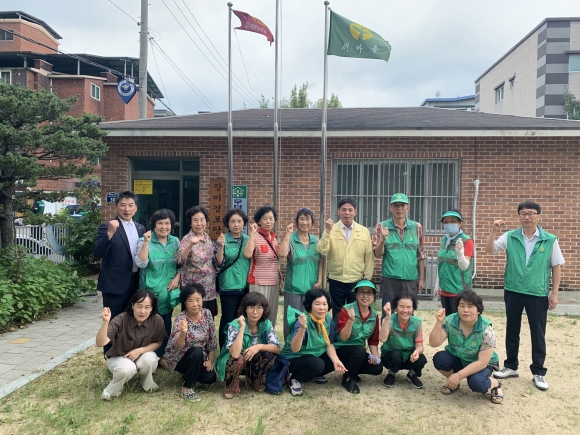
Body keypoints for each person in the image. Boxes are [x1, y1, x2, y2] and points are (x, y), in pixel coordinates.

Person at [486, 201, 564, 391]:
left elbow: (556, 266)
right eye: (523, 213)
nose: (527, 217)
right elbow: (490, 249)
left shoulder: (549, 240)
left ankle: (538, 371)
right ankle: (511, 366)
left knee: (538, 333)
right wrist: (493, 231)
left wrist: (554, 294)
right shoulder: (510, 236)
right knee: (512, 329)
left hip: (537, 292)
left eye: (531, 213)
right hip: (513, 290)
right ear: (519, 216)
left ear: (539, 216)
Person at [429, 290, 503, 404]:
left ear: (478, 310)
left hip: (481, 363)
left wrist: (459, 375)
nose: (465, 310)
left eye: (470, 306)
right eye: (462, 306)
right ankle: (454, 383)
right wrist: (439, 322)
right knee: (440, 359)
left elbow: (482, 362)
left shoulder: (487, 330)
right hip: (460, 358)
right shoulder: (450, 320)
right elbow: (434, 343)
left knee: (476, 383)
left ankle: (495, 384)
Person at [94, 191, 145, 353]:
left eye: (130, 205)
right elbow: (98, 252)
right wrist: (109, 233)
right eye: (123, 205)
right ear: (116, 206)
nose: (127, 209)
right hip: (114, 284)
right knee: (113, 321)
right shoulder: (107, 226)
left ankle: (127, 352)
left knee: (132, 320)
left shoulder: (140, 228)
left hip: (135, 282)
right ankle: (111, 354)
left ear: (136, 208)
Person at [96, 290, 167, 401]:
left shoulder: (157, 320)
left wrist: (140, 351)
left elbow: (158, 342)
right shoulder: (121, 319)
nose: (142, 311)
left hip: (140, 355)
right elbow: (100, 342)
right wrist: (105, 322)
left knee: (151, 359)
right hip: (118, 357)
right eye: (139, 306)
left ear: (152, 308)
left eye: (147, 307)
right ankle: (110, 392)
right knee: (127, 368)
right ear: (132, 305)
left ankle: (147, 383)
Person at [134, 208, 181, 369]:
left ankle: (162, 355)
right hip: (150, 292)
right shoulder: (143, 240)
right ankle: (147, 358)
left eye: (167, 223)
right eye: (160, 223)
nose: (164, 227)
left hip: (168, 292)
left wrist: (177, 278)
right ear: (154, 225)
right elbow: (141, 263)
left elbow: (181, 263)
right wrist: (146, 243)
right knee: (148, 326)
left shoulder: (175, 241)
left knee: (165, 325)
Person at [281, 288, 347, 396]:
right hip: (293, 358)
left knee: (335, 358)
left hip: (313, 355)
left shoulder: (327, 319)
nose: (322, 307)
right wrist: (302, 328)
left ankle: (312, 374)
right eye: (317, 304)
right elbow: (294, 348)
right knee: (318, 364)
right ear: (310, 305)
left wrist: (336, 361)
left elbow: (329, 343)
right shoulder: (303, 320)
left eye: (324, 304)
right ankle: (295, 379)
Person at [316, 197, 374, 320]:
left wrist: (367, 279)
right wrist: (327, 231)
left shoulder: (363, 231)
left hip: (356, 279)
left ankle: (354, 332)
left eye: (350, 210)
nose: (347, 213)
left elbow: (369, 256)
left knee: (356, 311)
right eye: (343, 210)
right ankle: (338, 332)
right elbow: (321, 249)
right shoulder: (331, 229)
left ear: (355, 212)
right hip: (336, 278)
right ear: (338, 211)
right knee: (338, 311)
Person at [215, 292, 282, 398]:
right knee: (237, 359)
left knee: (269, 355)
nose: (255, 312)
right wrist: (242, 328)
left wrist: (258, 346)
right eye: (251, 307)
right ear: (245, 309)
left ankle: (255, 380)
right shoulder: (235, 325)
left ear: (264, 310)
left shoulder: (266, 324)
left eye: (259, 308)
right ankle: (230, 384)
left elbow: (277, 348)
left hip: (253, 360)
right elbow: (235, 353)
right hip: (235, 360)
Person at [373, 193, 426, 318]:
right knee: (388, 313)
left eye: (402, 205)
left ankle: (407, 332)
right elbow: (377, 254)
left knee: (408, 313)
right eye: (396, 205)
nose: (399, 208)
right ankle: (387, 332)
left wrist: (421, 279)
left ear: (408, 208)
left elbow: (421, 255)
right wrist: (383, 240)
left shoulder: (417, 227)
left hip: (410, 279)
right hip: (389, 279)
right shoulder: (381, 226)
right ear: (390, 208)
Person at [164, 284, 217, 401]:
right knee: (196, 351)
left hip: (200, 357)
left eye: (198, 300)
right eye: (190, 301)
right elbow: (177, 346)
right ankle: (186, 388)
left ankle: (189, 374)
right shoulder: (181, 318)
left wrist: (210, 360)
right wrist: (183, 333)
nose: (195, 304)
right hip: (180, 357)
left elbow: (212, 339)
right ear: (185, 303)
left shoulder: (207, 314)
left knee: (210, 378)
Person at [279, 207, 323, 338]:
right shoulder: (292, 239)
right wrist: (287, 234)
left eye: (307, 219)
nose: (304, 222)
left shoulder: (316, 241)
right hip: (294, 289)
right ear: (297, 222)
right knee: (292, 321)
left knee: (310, 320)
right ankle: (289, 346)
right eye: (301, 219)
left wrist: (320, 280)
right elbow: (282, 254)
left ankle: (306, 346)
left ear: (312, 222)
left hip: (312, 288)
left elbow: (320, 261)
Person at [333, 280, 383, 394]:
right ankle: (348, 379)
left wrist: (376, 358)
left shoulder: (374, 315)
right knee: (360, 350)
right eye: (361, 292)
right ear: (356, 295)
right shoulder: (346, 310)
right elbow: (343, 338)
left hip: (357, 353)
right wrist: (350, 320)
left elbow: (373, 341)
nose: (365, 296)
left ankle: (350, 371)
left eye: (369, 293)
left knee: (378, 368)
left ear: (373, 296)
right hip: (341, 349)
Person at [214, 209, 251, 349]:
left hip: (245, 286)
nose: (236, 224)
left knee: (241, 318)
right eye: (233, 221)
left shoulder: (248, 239)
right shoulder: (223, 239)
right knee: (228, 318)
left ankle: (238, 347)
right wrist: (221, 246)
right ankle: (224, 348)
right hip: (228, 285)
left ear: (244, 223)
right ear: (227, 224)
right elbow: (218, 263)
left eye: (239, 221)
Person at [176, 206, 218, 316]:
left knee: (208, 319)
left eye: (202, 219)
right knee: (192, 319)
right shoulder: (187, 239)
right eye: (195, 220)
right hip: (193, 291)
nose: (199, 223)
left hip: (209, 289)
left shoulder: (207, 238)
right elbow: (180, 260)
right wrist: (190, 246)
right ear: (190, 223)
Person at [380, 291, 427, 389]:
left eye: (409, 307)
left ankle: (411, 374)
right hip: (391, 355)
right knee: (395, 355)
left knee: (421, 359)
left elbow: (420, 346)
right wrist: (387, 317)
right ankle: (391, 373)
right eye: (401, 306)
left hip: (409, 356)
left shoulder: (417, 322)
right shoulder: (388, 320)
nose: (405, 310)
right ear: (396, 307)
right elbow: (382, 339)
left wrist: (417, 352)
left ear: (413, 308)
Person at [244, 205, 280, 327]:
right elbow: (247, 254)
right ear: (259, 221)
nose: (268, 221)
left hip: (274, 282)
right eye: (265, 218)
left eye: (271, 218)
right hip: (259, 282)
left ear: (274, 220)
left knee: (271, 314)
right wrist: (252, 234)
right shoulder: (255, 237)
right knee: (256, 315)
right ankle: (255, 337)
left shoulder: (275, 239)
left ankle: (269, 337)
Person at [434, 209, 475, 316]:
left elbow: (464, 266)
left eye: (453, 221)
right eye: (446, 222)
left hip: (459, 291)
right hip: (444, 290)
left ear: (460, 223)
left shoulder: (467, 241)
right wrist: (437, 286)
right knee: (447, 320)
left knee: (458, 321)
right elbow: (441, 265)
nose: (449, 224)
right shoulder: (444, 240)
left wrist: (460, 252)